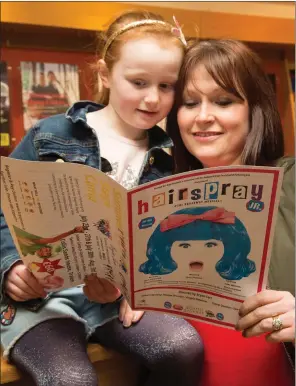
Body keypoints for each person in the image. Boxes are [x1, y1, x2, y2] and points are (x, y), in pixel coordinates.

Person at [0, 11, 204, 386]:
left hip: (113, 299)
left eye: (167, 86)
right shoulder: (51, 133)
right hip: (43, 297)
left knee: (182, 346)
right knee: (70, 379)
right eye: (138, 82)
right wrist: (11, 267)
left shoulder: (172, 156)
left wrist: (143, 288)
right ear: (105, 74)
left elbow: (166, 238)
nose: (152, 97)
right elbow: (3, 207)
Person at [166, 38, 295, 386]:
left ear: (255, 110)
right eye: (190, 103)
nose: (203, 116)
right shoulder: (157, 198)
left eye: (223, 101)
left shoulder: (293, 181)